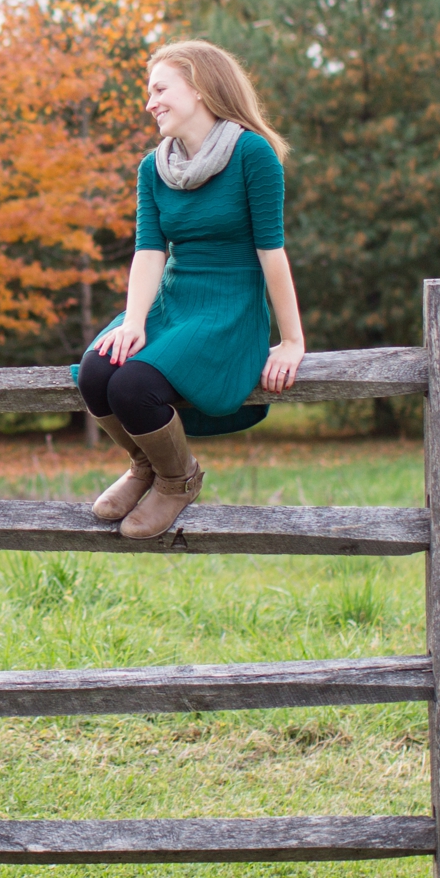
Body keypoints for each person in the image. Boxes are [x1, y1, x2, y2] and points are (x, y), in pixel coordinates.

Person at [77, 40, 306, 538]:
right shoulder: (153, 167)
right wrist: (133, 321)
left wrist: (291, 341)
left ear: (199, 87)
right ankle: (146, 467)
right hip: (173, 300)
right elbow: (149, 251)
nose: (150, 102)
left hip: (228, 309)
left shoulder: (252, 153)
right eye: (149, 92)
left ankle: (179, 481)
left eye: (160, 89)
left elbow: (272, 253)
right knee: (97, 370)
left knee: (134, 384)